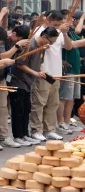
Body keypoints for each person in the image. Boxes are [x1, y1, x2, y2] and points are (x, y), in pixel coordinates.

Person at [31, 11, 85, 141]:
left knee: (53, 103)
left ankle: (49, 129)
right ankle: (36, 129)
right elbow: (40, 50)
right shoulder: (40, 32)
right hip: (43, 72)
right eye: (55, 24)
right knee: (40, 103)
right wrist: (59, 30)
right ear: (48, 20)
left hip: (56, 73)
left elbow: (68, 46)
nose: (57, 27)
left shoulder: (59, 33)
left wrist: (64, 33)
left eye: (59, 24)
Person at [10, 27, 58, 146]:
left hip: (28, 82)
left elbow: (39, 64)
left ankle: (25, 134)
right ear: (44, 36)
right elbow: (20, 64)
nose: (51, 44)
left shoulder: (42, 47)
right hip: (18, 81)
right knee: (18, 110)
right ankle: (18, 136)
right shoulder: (30, 45)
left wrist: (44, 72)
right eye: (50, 41)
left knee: (26, 109)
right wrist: (36, 73)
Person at [58, 11, 85, 135]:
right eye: (66, 20)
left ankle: (67, 122)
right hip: (67, 71)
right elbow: (71, 46)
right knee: (63, 98)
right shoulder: (60, 35)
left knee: (71, 98)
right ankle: (61, 123)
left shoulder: (72, 33)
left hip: (76, 70)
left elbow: (79, 41)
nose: (69, 23)